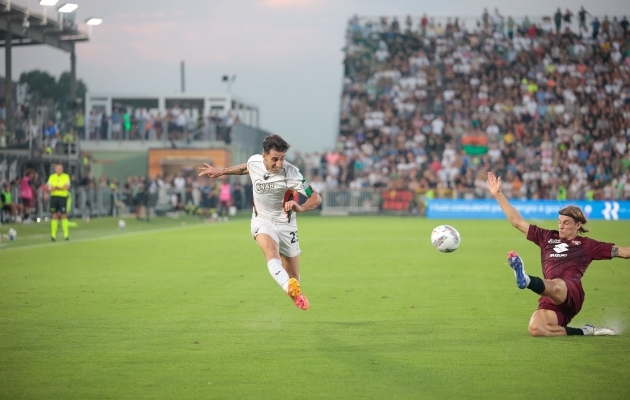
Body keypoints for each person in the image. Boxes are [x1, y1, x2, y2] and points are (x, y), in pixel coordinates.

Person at [487, 172, 630, 337]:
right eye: (559, 222)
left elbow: (624, 252)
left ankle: (526, 280)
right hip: (550, 296)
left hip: (571, 291)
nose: (561, 226)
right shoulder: (547, 237)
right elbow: (517, 222)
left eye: (566, 223)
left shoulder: (587, 245)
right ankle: (586, 331)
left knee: (556, 284)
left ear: (578, 225)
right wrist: (498, 195)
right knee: (536, 329)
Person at [198, 134, 322, 310]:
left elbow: (316, 198)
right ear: (264, 156)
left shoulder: (291, 172)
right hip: (262, 220)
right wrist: (222, 171)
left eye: (282, 159)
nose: (279, 164)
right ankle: (289, 288)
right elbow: (246, 168)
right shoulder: (255, 161)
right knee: (271, 251)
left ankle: (294, 290)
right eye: (274, 159)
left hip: (286, 225)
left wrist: (300, 207)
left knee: (293, 276)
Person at [47, 163, 71, 241]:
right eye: (58, 168)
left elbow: (66, 187)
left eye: (60, 168)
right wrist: (60, 187)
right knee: (54, 215)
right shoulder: (52, 177)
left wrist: (57, 187)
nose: (59, 170)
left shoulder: (66, 176)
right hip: (54, 197)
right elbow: (49, 188)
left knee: (63, 215)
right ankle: (53, 236)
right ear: (55, 169)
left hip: (63, 197)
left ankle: (66, 235)